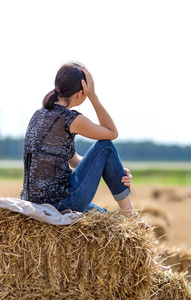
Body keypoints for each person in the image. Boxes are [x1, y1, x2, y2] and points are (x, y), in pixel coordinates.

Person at [21, 61, 170, 271]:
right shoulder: (70, 118)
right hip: (61, 202)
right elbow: (111, 133)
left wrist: (114, 171)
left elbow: (77, 161)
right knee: (106, 147)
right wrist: (94, 97)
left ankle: (150, 265)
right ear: (81, 92)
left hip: (35, 201)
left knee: (108, 222)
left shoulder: (39, 115)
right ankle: (130, 213)